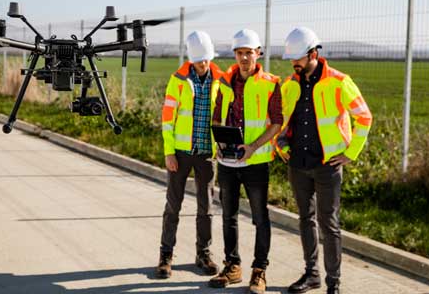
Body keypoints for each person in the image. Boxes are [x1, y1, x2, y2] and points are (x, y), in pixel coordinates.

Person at [277, 27, 372, 294]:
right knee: (305, 220)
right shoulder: (290, 84)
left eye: (298, 58)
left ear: (313, 53)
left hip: (327, 165)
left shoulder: (339, 81)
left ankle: (334, 283)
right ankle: (312, 275)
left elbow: (365, 117)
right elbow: (281, 120)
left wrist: (350, 153)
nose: (294, 63)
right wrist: (280, 143)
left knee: (329, 224)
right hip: (297, 164)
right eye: (291, 59)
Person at [208, 29, 282, 294]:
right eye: (239, 53)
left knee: (260, 218)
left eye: (248, 53)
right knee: (228, 216)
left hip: (256, 163)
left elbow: (277, 123)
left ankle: (259, 271)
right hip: (228, 163)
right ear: (235, 55)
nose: (244, 58)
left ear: (258, 53)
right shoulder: (225, 82)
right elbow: (216, 118)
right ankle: (232, 266)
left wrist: (253, 147)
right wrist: (220, 142)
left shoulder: (271, 83)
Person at [156, 30, 223, 279]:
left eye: (206, 60)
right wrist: (169, 151)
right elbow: (167, 118)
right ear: (191, 59)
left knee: (206, 208)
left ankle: (203, 254)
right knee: (173, 206)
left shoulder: (221, 79)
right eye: (198, 61)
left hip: (207, 154)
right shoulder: (178, 79)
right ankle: (165, 255)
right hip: (181, 154)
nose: (203, 65)